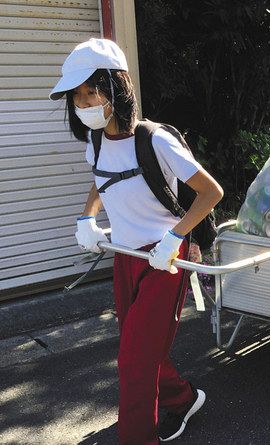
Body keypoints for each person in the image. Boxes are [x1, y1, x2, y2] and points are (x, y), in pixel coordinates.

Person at [50, 38, 224, 443]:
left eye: (91, 90)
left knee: (132, 359)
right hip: (125, 258)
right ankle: (182, 399)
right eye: (76, 95)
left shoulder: (155, 140)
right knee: (139, 347)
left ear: (117, 85)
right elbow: (100, 182)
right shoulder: (93, 143)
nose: (83, 102)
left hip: (164, 260)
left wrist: (175, 237)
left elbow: (211, 193)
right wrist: (86, 217)